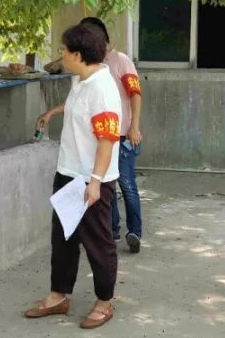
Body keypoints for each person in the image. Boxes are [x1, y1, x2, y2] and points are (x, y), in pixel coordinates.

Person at [25, 23, 122, 329]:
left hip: (91, 180)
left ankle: (104, 302)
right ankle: (58, 296)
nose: (61, 55)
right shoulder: (81, 80)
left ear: (78, 55)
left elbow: (107, 141)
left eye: (64, 50)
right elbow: (74, 108)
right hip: (68, 172)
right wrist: (52, 113)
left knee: (98, 243)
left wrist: (95, 182)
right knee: (63, 239)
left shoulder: (103, 90)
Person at [37, 18, 145, 253]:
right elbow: (77, 104)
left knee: (125, 184)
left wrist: (134, 127)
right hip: (100, 140)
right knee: (108, 190)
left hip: (122, 135)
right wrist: (52, 112)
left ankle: (134, 231)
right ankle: (112, 231)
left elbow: (135, 93)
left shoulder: (120, 62)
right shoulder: (86, 71)